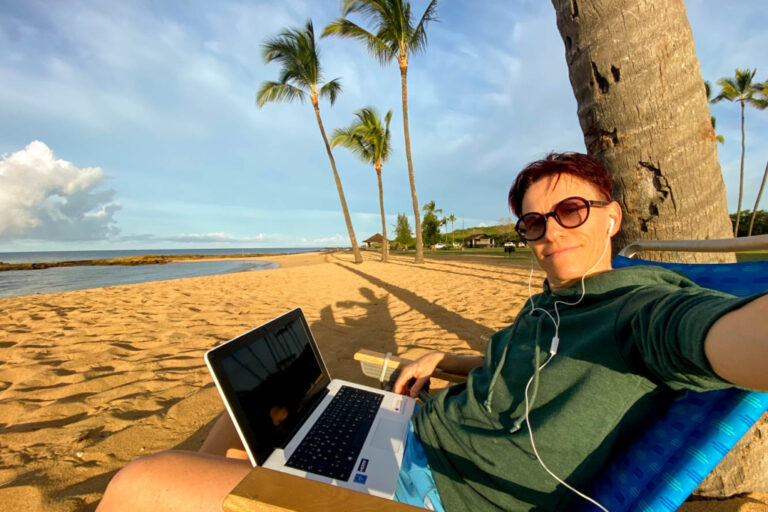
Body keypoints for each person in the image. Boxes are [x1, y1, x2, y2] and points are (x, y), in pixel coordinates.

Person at [97, 152, 768, 512]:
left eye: (569, 211)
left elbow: (733, 341)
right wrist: (445, 355)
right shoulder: (555, 304)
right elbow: (531, 370)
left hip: (441, 490)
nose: (549, 232)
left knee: (141, 485)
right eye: (532, 223)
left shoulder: (642, 308)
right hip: (410, 432)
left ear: (611, 217)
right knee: (243, 417)